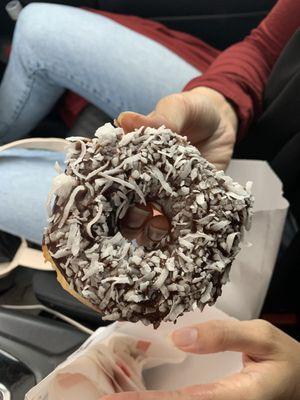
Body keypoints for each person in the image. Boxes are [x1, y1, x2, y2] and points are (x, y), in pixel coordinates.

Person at [0, 1, 300, 397]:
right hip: (254, 132)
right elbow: (266, 47)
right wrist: (221, 102)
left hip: (278, 264)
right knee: (37, 24)